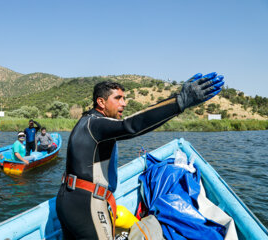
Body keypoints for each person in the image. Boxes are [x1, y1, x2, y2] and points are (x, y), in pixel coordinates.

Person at [56, 72, 224, 239]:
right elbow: (131, 126)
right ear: (101, 102)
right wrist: (180, 101)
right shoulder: (96, 124)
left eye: (124, 98)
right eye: (118, 98)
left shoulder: (87, 122)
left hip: (68, 198)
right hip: (87, 203)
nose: (124, 103)